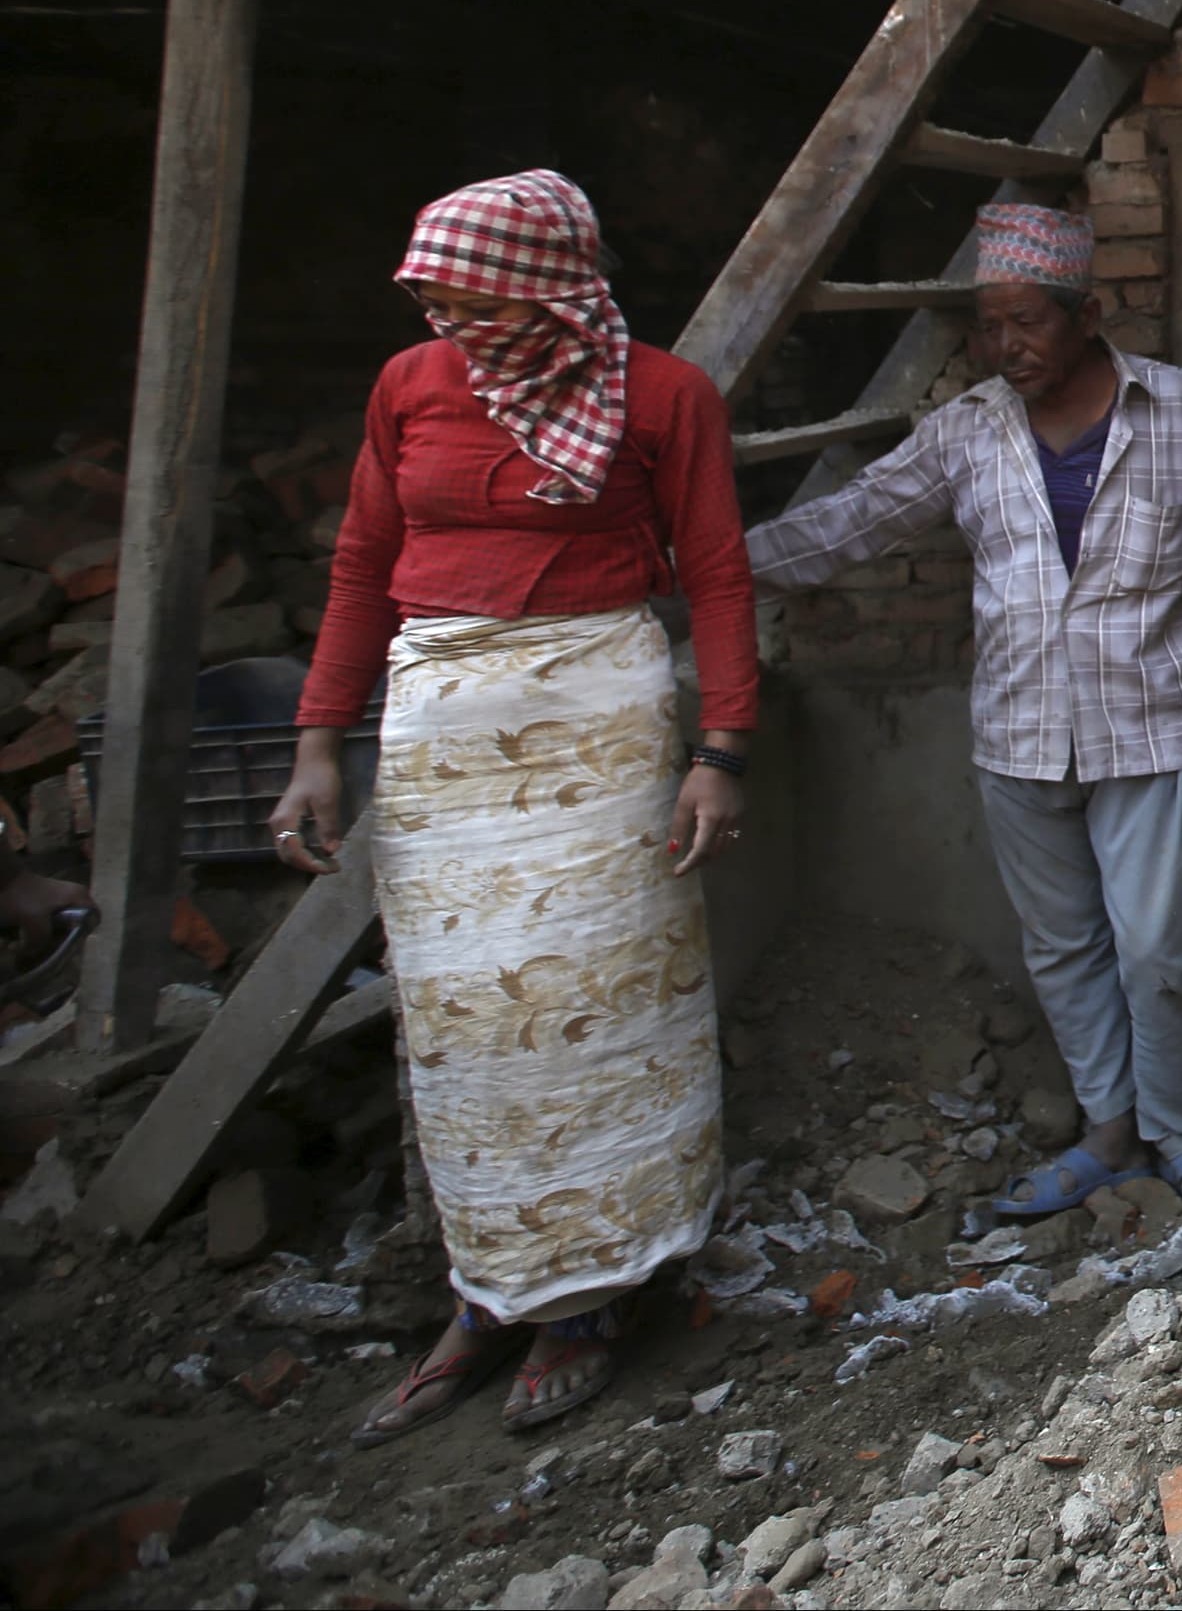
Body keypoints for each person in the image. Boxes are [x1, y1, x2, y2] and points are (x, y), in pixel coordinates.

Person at [270, 172, 756, 1442]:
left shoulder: (661, 395)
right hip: (441, 729)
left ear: (540, 284)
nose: (442, 312)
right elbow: (365, 563)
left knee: (596, 1012)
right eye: (429, 293)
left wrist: (723, 749)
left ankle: (593, 1292)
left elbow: (712, 570)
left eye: (464, 292)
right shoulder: (411, 387)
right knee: (467, 1021)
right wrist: (319, 740)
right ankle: (491, 1289)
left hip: (597, 717)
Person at [747, 203, 1182, 1221]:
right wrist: (712, 566)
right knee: (1064, 947)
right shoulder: (967, 428)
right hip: (1020, 731)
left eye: (1027, 321)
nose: (1006, 345)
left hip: (1151, 722)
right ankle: (1107, 1132)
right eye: (991, 325)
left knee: (1164, 949)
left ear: (1087, 314)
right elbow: (855, 523)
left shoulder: (1178, 406)